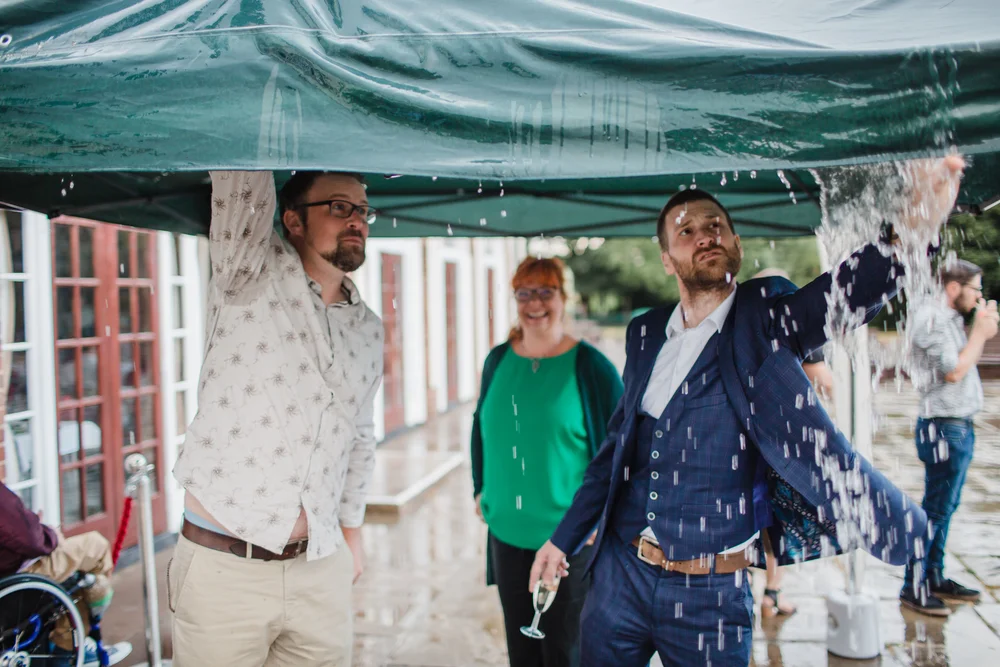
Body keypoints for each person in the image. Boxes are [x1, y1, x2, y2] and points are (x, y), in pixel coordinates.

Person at [529, 156, 965, 666]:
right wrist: (561, 540)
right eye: (686, 230)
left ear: (736, 245)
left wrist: (917, 221)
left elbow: (847, 292)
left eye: (716, 226)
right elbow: (614, 454)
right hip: (620, 578)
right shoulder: (645, 333)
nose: (705, 235)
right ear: (668, 259)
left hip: (710, 595)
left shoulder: (767, 319)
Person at [169, 170, 384, 666]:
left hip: (320, 569)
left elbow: (360, 437)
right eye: (338, 207)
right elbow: (243, 168)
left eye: (362, 210)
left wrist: (352, 532)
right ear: (292, 220)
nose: (356, 221)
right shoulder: (247, 274)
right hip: (225, 571)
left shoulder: (369, 328)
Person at [470, 257, 623, 667]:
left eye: (545, 292)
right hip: (507, 532)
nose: (534, 303)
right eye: (525, 292)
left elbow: (623, 451)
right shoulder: (498, 360)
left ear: (564, 297)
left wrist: (600, 516)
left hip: (568, 540)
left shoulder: (592, 367)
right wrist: (479, 486)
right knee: (521, 651)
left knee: (563, 651)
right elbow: (480, 426)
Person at [900, 259, 998, 616]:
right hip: (944, 426)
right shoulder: (930, 317)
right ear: (953, 288)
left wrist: (976, 327)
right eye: (975, 289)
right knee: (936, 511)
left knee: (946, 507)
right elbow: (954, 370)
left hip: (957, 424)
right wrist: (980, 335)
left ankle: (934, 575)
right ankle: (914, 585)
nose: (978, 296)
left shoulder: (948, 317)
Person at [750, 268, 836, 617]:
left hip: (745, 442)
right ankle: (772, 592)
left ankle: (746, 586)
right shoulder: (792, 325)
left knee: (748, 519)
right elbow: (824, 384)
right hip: (782, 446)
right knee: (777, 523)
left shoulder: (743, 326)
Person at [0, 483, 132, 665]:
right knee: (95, 546)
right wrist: (51, 535)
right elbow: (31, 539)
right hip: (14, 575)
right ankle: (68, 647)